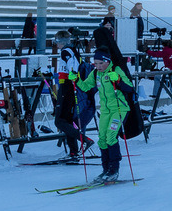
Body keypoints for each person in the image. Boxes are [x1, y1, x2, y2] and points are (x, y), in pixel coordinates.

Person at [76, 48, 134, 183]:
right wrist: (77, 80)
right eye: (95, 63)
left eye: (101, 63)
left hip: (119, 109)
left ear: (108, 62)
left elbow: (130, 87)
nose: (98, 66)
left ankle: (114, 169)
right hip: (105, 111)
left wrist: (118, 80)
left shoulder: (116, 70)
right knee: (101, 138)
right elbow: (85, 87)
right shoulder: (96, 73)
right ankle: (106, 170)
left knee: (111, 136)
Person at [53, 32, 90, 160]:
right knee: (67, 121)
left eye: (57, 40)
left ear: (61, 41)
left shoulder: (66, 51)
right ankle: (73, 151)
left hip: (66, 87)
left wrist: (72, 73)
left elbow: (71, 63)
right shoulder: (72, 50)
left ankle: (84, 139)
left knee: (59, 121)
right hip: (68, 86)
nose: (56, 43)